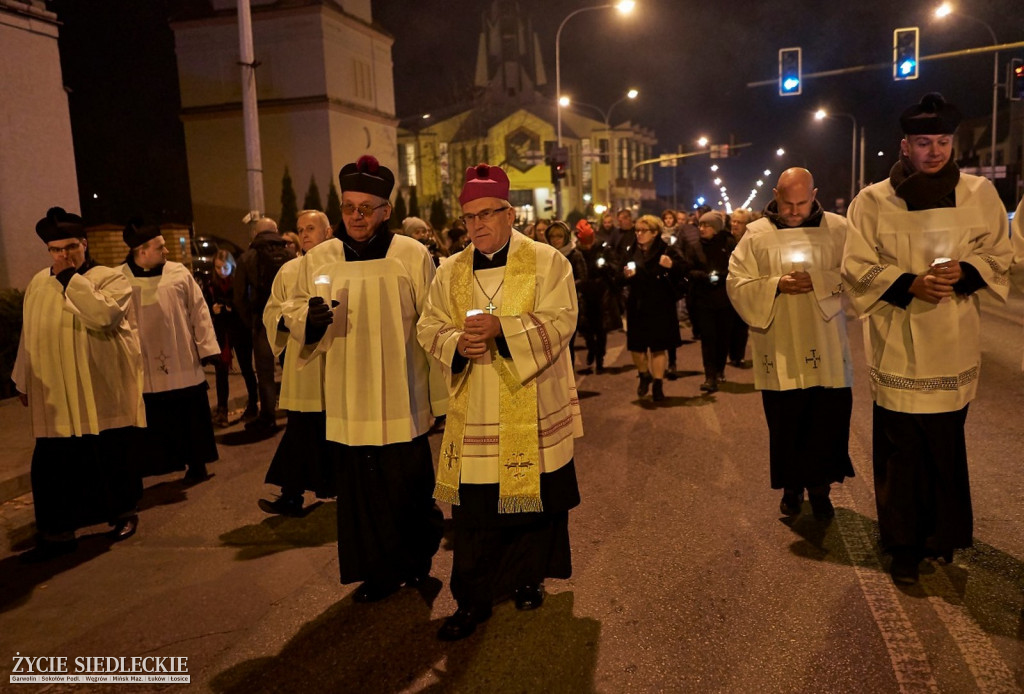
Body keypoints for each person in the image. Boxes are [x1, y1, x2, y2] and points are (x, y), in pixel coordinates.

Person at [842, 93, 1013, 585]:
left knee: (946, 444)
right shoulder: (873, 200)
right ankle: (902, 545)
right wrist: (907, 282)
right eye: (924, 142)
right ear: (905, 145)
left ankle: (945, 535)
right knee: (901, 452)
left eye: (942, 141)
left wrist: (965, 271)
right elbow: (855, 265)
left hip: (954, 340)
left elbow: (999, 254)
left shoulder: (980, 194)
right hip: (898, 341)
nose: (935, 151)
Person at [418, 163, 583, 641]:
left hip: (528, 404)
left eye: (488, 214)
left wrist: (503, 331)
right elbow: (428, 325)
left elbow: (562, 319)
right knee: (473, 515)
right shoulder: (449, 270)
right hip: (474, 410)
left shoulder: (548, 262)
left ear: (510, 213)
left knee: (533, 505)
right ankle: (471, 600)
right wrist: (455, 344)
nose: (478, 225)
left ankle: (527, 579)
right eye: (469, 218)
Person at [288, 156, 445, 602]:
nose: (356, 216)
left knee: (406, 488)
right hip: (347, 396)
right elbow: (292, 312)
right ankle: (375, 572)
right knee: (360, 494)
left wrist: (441, 395)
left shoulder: (411, 255)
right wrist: (310, 320)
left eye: (366, 207)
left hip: (403, 394)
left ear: (386, 211)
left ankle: (416, 563)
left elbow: (432, 320)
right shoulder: (319, 257)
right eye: (349, 206)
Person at [13, 207, 146, 562]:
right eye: (55, 250)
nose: (63, 255)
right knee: (54, 460)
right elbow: (30, 332)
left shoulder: (110, 278)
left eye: (70, 246)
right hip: (55, 387)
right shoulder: (39, 283)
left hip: (100, 384)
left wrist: (71, 278)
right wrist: (22, 379)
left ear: (84, 244)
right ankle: (58, 528)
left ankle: (121, 513)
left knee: (108, 452)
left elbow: (104, 316)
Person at [727, 168, 854, 521]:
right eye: (787, 203)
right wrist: (775, 285)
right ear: (775, 195)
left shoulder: (839, 229)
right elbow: (736, 282)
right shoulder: (756, 235)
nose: (795, 211)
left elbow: (858, 274)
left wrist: (820, 281)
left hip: (825, 343)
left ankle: (821, 490)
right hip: (779, 344)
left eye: (802, 202)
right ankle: (791, 488)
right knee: (787, 422)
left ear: (814, 194)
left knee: (825, 422)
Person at [119, 221, 221, 484]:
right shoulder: (119, 280)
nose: (167, 252)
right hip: (145, 365)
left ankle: (197, 463)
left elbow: (199, 310)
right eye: (160, 247)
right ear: (141, 251)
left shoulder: (178, 273)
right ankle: (157, 465)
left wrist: (207, 347)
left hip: (182, 360)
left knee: (189, 415)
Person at [258, 210, 335, 516]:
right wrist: (288, 322)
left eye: (312, 228)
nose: (304, 234)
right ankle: (291, 494)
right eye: (300, 229)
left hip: (337, 366)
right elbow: (271, 311)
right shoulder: (289, 271)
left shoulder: (343, 265)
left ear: (328, 233)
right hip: (303, 364)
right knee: (301, 432)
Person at [235, 217, 296, 434]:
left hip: (262, 323)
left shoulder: (247, 257)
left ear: (255, 234)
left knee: (265, 373)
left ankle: (268, 416)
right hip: (289, 322)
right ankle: (295, 412)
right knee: (291, 369)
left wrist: (250, 321)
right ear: (276, 231)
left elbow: (239, 297)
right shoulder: (290, 255)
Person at [622, 214, 686, 402]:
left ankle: (658, 385)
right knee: (637, 347)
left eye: (644, 230)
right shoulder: (631, 249)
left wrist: (671, 265)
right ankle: (644, 375)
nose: (639, 234)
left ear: (655, 232)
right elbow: (619, 272)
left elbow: (684, 269)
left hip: (660, 303)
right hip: (637, 304)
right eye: (637, 230)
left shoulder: (666, 249)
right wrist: (625, 275)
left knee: (658, 347)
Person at [202, 249, 259, 427]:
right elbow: (205, 303)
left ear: (231, 265)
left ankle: (253, 405)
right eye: (218, 268)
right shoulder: (211, 284)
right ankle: (222, 410)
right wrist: (213, 309)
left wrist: (232, 307)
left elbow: (246, 302)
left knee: (246, 368)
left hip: (240, 330)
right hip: (222, 332)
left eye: (225, 267)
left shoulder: (239, 281)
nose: (221, 271)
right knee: (221, 372)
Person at [683, 213, 738, 393]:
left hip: (725, 298)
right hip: (703, 299)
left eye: (706, 225)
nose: (702, 229)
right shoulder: (695, 247)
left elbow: (737, 266)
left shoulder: (728, 244)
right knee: (708, 338)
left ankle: (720, 368)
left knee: (723, 337)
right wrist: (703, 276)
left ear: (716, 228)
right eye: (700, 225)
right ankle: (710, 376)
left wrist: (721, 275)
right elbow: (689, 269)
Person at [576, 219, 619, 373]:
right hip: (584, 293)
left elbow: (615, 266)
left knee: (601, 329)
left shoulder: (603, 249)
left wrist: (606, 267)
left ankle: (600, 358)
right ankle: (591, 349)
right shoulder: (577, 252)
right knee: (586, 328)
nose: (587, 245)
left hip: (601, 293)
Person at [544, 220, 587, 368]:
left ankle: (569, 382)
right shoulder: (545, 255)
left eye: (559, 236)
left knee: (567, 346)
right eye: (552, 236)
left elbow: (583, 278)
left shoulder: (574, 255)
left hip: (569, 305)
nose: (555, 240)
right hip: (549, 306)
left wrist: (568, 284)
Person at [727, 209, 754, 367]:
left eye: (739, 222)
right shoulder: (726, 239)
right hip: (729, 286)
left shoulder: (751, 239)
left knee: (742, 323)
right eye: (733, 221)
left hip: (745, 285)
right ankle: (731, 354)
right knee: (729, 323)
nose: (735, 224)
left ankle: (739, 355)